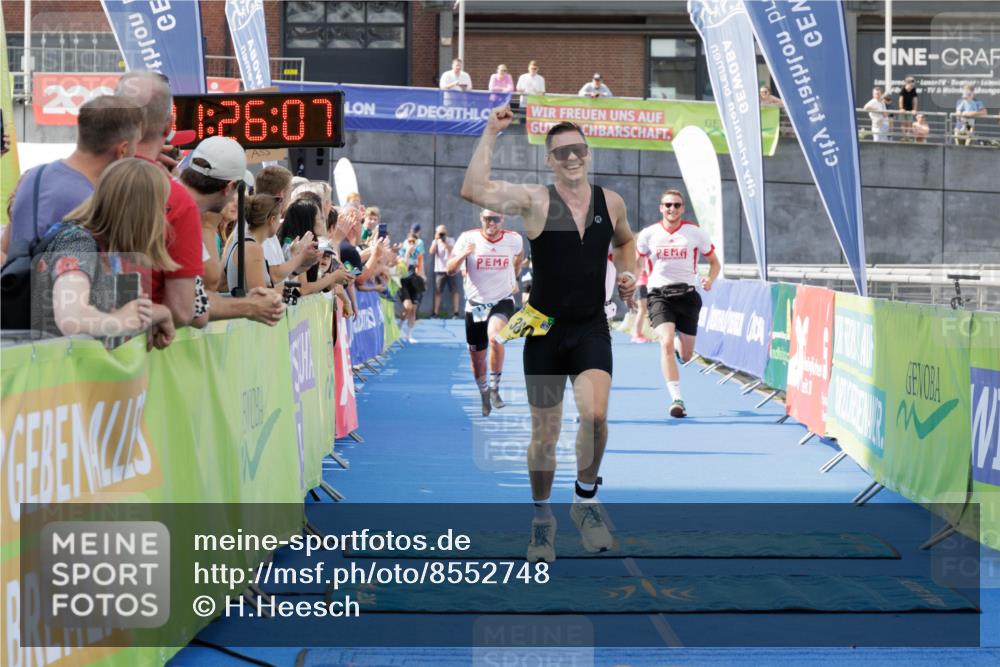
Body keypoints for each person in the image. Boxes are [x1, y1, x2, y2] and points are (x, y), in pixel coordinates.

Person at [461, 110, 637, 563]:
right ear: (550, 161)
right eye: (562, 152)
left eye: (579, 149)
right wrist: (491, 132)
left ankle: (585, 502)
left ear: (588, 153)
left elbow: (624, 242)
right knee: (545, 435)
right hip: (545, 331)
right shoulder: (537, 200)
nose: (572, 157)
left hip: (591, 327)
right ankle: (543, 520)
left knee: (596, 416)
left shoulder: (611, 201)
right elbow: (473, 190)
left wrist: (629, 275)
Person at [31, 158, 175, 347]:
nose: (163, 218)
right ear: (141, 212)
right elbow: (72, 319)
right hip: (62, 373)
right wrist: (124, 321)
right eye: (162, 208)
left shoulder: (105, 249)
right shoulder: (77, 243)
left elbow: (121, 313)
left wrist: (159, 314)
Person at [115, 72, 205, 326]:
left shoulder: (47, 180)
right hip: (133, 354)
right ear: (168, 126)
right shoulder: (177, 199)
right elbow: (184, 311)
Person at [4, 95, 143, 255]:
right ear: (123, 149)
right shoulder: (95, 204)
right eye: (136, 145)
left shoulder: (32, 177)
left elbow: (6, 249)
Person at [177, 138, 285, 326]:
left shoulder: (175, 201)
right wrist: (250, 306)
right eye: (237, 190)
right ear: (228, 188)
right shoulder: (182, 212)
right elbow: (200, 297)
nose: (236, 199)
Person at [637, 190, 721, 418]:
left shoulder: (695, 233)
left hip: (687, 296)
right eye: (667, 205)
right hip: (659, 295)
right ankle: (677, 399)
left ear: (682, 208)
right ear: (660, 208)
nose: (671, 209)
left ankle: (678, 347)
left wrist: (710, 278)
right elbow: (638, 260)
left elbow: (714, 262)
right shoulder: (648, 234)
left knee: (686, 356)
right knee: (664, 342)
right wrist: (633, 280)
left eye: (676, 205)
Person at [447, 210, 523, 416]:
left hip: (502, 300)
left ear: (503, 219)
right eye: (487, 219)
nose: (492, 223)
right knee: (477, 359)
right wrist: (464, 254)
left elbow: (520, 255)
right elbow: (450, 269)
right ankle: (484, 393)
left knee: (496, 338)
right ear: (481, 218)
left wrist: (514, 277)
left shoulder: (513, 239)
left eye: (496, 219)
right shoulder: (467, 238)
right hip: (476, 305)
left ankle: (495, 388)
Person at [277, 199, 351, 296]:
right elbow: (303, 289)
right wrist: (333, 277)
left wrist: (333, 281)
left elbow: (314, 283)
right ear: (309, 221)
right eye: (320, 218)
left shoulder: (310, 244)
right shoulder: (299, 245)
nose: (324, 220)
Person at [222, 195, 281, 291]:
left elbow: (221, 283)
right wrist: (280, 290)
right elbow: (260, 296)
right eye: (279, 218)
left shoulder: (238, 242)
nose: (280, 223)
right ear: (272, 220)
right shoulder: (253, 249)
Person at [397, 224, 426, 343]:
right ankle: (399, 326)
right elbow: (404, 267)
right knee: (407, 306)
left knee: (413, 308)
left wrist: (423, 276)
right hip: (404, 281)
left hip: (414, 280)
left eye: (414, 241)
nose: (411, 244)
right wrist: (408, 252)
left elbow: (421, 264)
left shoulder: (418, 251)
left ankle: (409, 335)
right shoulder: (403, 250)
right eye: (409, 241)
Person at [430, 224, 460, 318]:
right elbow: (431, 252)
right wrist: (436, 240)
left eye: (443, 232)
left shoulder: (451, 240)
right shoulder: (435, 241)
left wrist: (445, 242)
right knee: (438, 291)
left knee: (454, 290)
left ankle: (456, 313)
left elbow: (453, 251)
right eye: (440, 232)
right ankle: (436, 313)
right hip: (440, 270)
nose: (442, 234)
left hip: (451, 269)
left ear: (446, 232)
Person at [630, 249, 651, 343]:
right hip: (641, 285)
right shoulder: (640, 255)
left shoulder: (646, 254)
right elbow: (644, 269)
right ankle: (636, 334)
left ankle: (639, 333)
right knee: (642, 310)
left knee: (644, 310)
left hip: (645, 285)